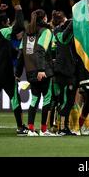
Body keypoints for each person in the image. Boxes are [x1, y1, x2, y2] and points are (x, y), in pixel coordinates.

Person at [0, 4, 28, 136]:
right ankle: (20, 128)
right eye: (7, 21)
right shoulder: (4, 31)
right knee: (14, 98)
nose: (9, 22)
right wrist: (19, 11)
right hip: (5, 72)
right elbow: (19, 26)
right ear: (3, 22)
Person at [16, 9, 55, 137]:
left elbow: (21, 54)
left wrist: (17, 72)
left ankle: (31, 129)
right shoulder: (46, 31)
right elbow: (40, 51)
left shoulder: (27, 33)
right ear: (44, 18)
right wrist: (41, 70)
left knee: (34, 99)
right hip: (42, 71)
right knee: (47, 98)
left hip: (30, 70)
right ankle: (44, 130)